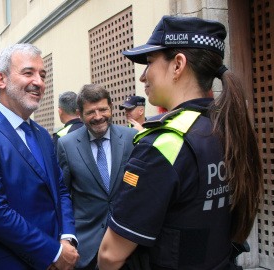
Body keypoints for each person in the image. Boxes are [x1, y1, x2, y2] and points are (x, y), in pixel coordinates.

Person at [98, 15, 263, 269]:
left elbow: (110, 254)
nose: (143, 76)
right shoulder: (226, 128)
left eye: (150, 62)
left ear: (178, 65)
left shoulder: (165, 144)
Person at [0, 43, 79, 270]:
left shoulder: (42, 135)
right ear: (1, 80)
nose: (39, 82)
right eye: (28, 73)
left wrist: (67, 238)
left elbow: (60, 191)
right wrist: (52, 253)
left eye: (43, 75)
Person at [56, 84, 137, 269]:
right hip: (86, 248)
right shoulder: (66, 145)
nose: (98, 117)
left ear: (111, 107)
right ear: (80, 114)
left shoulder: (131, 138)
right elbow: (64, 196)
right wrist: (65, 237)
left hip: (127, 244)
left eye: (103, 109)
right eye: (91, 112)